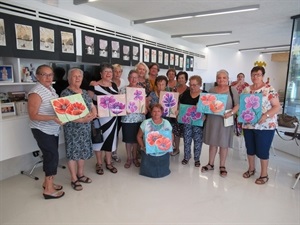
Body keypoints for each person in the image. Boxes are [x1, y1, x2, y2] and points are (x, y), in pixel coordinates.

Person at [27, 65, 64, 199]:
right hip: (42, 129)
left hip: (52, 129)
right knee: (51, 156)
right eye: (44, 74)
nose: (48, 78)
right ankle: (48, 190)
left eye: (50, 75)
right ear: (37, 76)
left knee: (51, 155)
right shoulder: (36, 92)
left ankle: (47, 183)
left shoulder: (50, 89)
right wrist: (53, 117)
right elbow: (33, 115)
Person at [242, 66, 281, 185]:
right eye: (253, 74)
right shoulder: (247, 89)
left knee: (263, 150)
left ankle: (264, 174)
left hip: (265, 126)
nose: (255, 77)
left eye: (258, 74)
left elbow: (277, 107)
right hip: (249, 125)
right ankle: (251, 169)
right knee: (250, 149)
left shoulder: (269, 89)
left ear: (263, 76)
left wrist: (266, 116)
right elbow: (242, 105)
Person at [61, 68, 97, 191]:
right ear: (69, 78)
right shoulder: (65, 93)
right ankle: (73, 178)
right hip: (72, 129)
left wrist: (94, 113)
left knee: (82, 151)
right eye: (74, 76)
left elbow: (92, 105)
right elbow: (65, 114)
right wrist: (82, 120)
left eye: (79, 76)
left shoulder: (84, 92)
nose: (77, 78)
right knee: (72, 153)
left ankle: (80, 174)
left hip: (85, 128)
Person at [202, 69, 239, 177]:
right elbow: (206, 104)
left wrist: (231, 113)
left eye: (224, 77)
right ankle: (210, 163)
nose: (221, 80)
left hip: (226, 119)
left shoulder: (233, 90)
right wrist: (204, 115)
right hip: (213, 119)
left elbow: (237, 105)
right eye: (219, 77)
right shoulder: (212, 90)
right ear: (216, 79)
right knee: (213, 142)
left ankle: (222, 166)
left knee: (224, 143)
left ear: (228, 79)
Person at [88, 63, 118, 175]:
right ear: (101, 73)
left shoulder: (114, 85)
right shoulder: (94, 85)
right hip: (98, 118)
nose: (108, 74)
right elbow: (88, 100)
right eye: (106, 71)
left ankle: (109, 162)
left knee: (110, 140)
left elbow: (117, 100)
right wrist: (94, 110)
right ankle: (99, 163)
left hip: (112, 118)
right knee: (98, 140)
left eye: (110, 72)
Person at [137, 103, 172, 178]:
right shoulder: (145, 123)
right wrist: (143, 147)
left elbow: (170, 135)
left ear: (162, 112)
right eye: (154, 111)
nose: (156, 113)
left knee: (163, 171)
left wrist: (170, 146)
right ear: (151, 112)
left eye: (158, 111)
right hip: (148, 151)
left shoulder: (166, 123)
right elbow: (139, 136)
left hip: (163, 151)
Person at [120, 70, 145, 168]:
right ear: (128, 78)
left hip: (139, 118)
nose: (134, 79)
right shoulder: (123, 89)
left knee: (136, 140)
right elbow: (120, 104)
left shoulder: (141, 89)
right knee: (128, 140)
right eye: (132, 77)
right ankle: (129, 158)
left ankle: (135, 158)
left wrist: (145, 109)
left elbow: (143, 103)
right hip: (127, 118)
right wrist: (124, 110)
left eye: (136, 77)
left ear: (138, 78)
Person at [180, 75, 206, 167]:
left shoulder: (204, 95)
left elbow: (208, 109)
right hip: (186, 121)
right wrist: (178, 111)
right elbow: (181, 105)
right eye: (190, 84)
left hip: (199, 122)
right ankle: (186, 157)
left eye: (195, 85)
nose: (192, 87)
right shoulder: (186, 93)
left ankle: (197, 159)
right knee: (187, 139)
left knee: (198, 140)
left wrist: (205, 115)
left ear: (200, 85)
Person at [112, 63, 126, 162]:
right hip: (110, 112)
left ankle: (114, 152)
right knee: (111, 133)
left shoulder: (123, 81)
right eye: (115, 71)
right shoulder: (108, 82)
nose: (117, 73)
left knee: (116, 132)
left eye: (119, 71)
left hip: (121, 111)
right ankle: (108, 153)